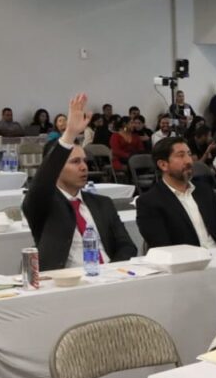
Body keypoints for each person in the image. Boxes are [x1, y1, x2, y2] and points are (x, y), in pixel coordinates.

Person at [22, 94, 136, 271]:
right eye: (75, 162)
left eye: (84, 161)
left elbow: (127, 246)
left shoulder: (102, 203)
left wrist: (111, 273)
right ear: (56, 168)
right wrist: (69, 135)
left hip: (108, 275)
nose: (84, 167)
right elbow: (41, 183)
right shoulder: (44, 204)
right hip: (65, 280)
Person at [136, 137, 216, 249]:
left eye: (189, 154)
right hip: (185, 258)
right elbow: (163, 247)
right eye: (181, 155)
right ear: (163, 165)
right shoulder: (149, 202)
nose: (189, 161)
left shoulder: (204, 190)